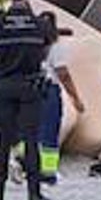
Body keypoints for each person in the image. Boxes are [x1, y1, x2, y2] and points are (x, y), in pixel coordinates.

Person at [0, 0, 53, 200]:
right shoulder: (39, 25)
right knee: (31, 140)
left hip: (4, 84)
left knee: (3, 140)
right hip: (30, 85)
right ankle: (34, 193)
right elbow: (44, 51)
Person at [38, 12, 85, 184]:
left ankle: (30, 167)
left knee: (34, 131)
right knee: (50, 131)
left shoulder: (33, 45)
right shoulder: (55, 47)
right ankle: (49, 171)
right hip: (50, 90)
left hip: (32, 90)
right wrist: (76, 98)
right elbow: (63, 74)